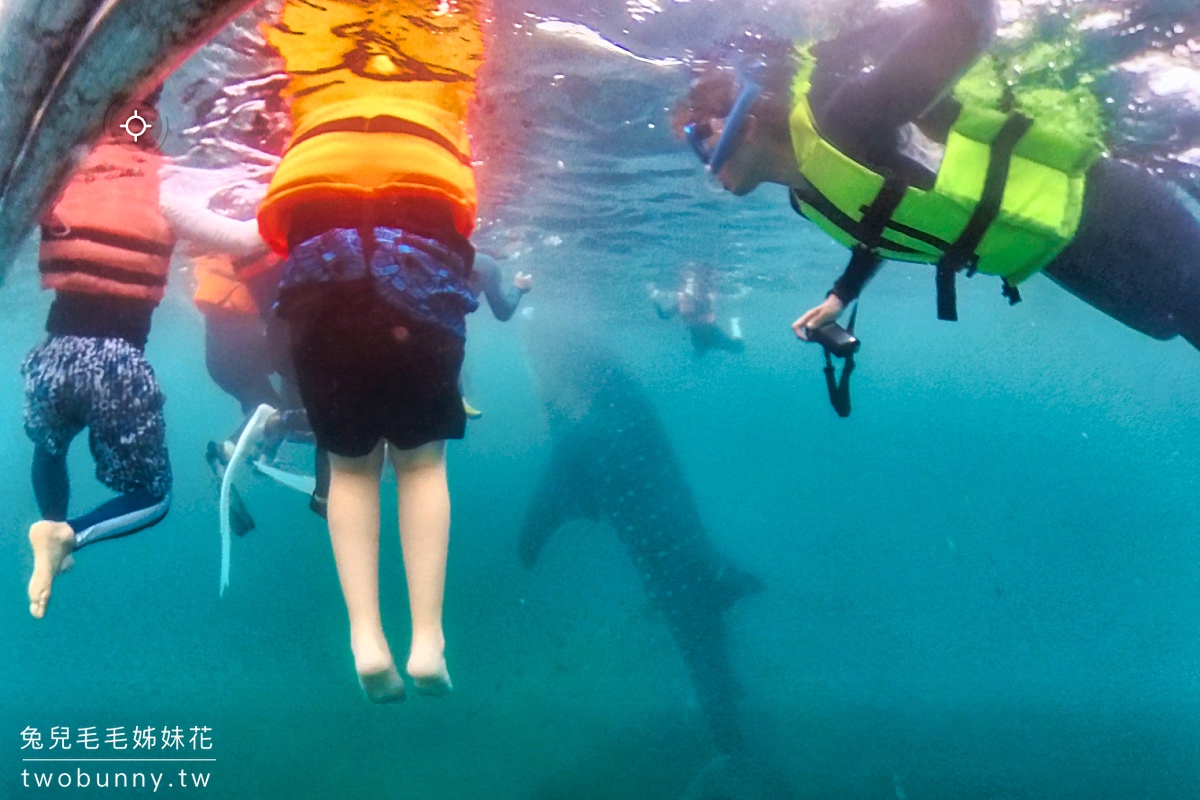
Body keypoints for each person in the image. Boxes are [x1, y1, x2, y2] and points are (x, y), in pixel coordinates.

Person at [671, 0, 1200, 355]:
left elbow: (966, 28)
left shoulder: (848, 117)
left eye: (700, 139)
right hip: (1052, 253)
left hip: (1105, 207)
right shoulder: (804, 196)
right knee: (1172, 325)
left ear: (746, 121)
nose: (702, 162)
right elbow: (878, 222)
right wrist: (841, 296)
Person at [256, 0, 489, 702]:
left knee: (351, 467)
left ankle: (366, 639)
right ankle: (427, 641)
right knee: (419, 463)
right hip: (417, 232)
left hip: (316, 235)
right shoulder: (451, 26)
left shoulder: (306, 22)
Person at [24, 95, 263, 619]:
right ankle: (70, 536)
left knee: (50, 444)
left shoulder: (60, 184)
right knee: (153, 499)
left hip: (52, 358)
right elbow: (246, 239)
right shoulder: (164, 189)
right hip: (116, 364)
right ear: (152, 134)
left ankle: (50, 520)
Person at [649, 264, 744, 356]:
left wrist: (654, 300)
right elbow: (664, 316)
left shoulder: (695, 301)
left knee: (738, 348)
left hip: (710, 332)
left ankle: (734, 323)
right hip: (700, 334)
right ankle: (733, 324)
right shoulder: (683, 305)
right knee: (700, 353)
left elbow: (664, 316)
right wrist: (654, 300)